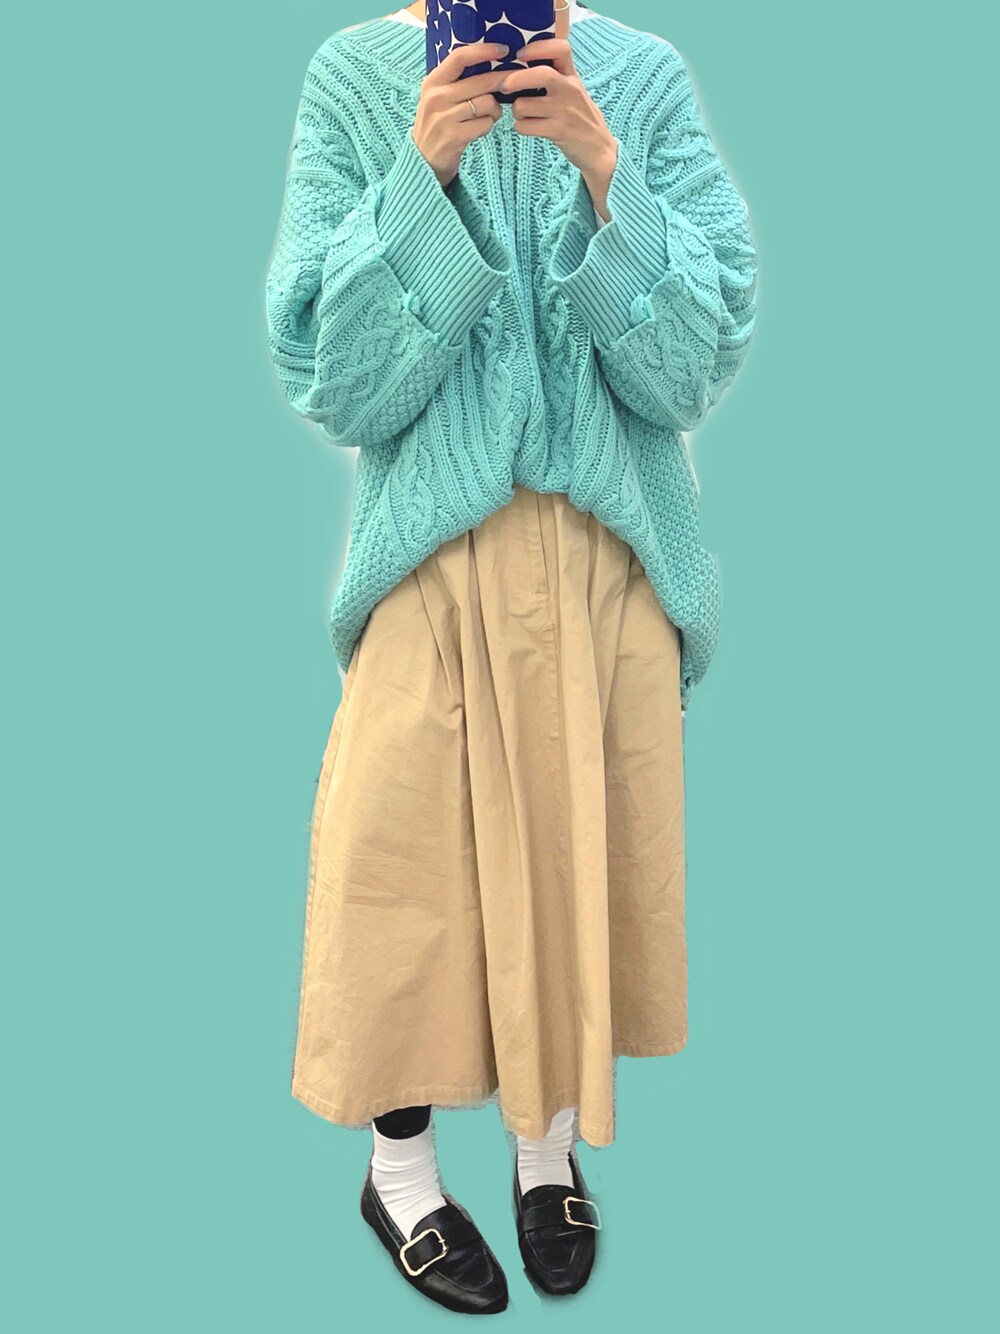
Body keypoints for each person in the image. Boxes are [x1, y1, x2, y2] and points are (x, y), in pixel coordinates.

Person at [264, 0, 757, 1313]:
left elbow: (694, 367)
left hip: (609, 557)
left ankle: (548, 1158)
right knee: (402, 874)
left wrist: (605, 171)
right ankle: (400, 1173)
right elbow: (333, 378)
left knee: (574, 859)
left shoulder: (641, 78)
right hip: (428, 557)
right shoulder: (354, 80)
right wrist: (420, 177)